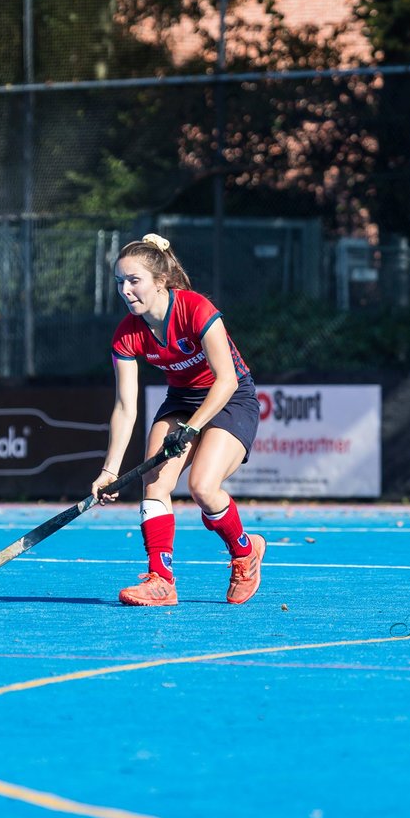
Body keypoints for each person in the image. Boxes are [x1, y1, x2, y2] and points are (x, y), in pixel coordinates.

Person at [91, 233, 265, 607]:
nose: (125, 290)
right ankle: (161, 581)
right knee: (154, 484)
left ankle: (245, 552)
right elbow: (125, 407)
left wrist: (190, 430)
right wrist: (109, 470)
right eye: (120, 282)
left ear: (160, 281)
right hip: (182, 401)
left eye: (134, 280)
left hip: (231, 398)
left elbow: (227, 379)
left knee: (203, 486)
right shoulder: (127, 334)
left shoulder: (196, 310)